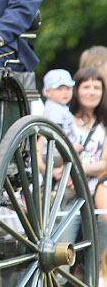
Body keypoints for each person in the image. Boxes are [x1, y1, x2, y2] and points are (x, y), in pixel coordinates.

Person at [59, 68, 107, 262]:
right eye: (86, 86)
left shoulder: (103, 124)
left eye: (97, 87)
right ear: (76, 90)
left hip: (97, 198)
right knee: (61, 263)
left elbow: (106, 162)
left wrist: (75, 171)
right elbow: (43, 157)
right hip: (67, 197)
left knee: (98, 263)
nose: (92, 92)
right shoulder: (64, 119)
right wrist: (61, 173)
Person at [40, 68, 76, 136]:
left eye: (68, 89)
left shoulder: (60, 107)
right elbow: (56, 136)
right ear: (48, 92)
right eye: (59, 89)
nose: (65, 92)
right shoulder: (53, 111)